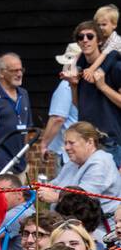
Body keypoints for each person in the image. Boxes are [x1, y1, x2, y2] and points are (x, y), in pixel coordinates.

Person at [39, 122, 121, 217]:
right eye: (65, 143)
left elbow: (85, 199)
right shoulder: (73, 163)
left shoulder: (101, 162)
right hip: (71, 221)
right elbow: (56, 183)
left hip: (97, 226)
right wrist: (43, 188)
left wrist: (57, 197)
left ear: (89, 142)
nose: (66, 147)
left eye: (71, 143)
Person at [68, 21, 121, 167]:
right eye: (81, 37)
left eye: (90, 36)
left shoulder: (116, 67)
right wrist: (73, 86)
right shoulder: (81, 69)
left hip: (110, 141)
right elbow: (79, 105)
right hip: (85, 142)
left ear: (99, 40)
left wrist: (103, 86)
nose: (85, 40)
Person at [0, 52, 31, 173]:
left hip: (20, 161)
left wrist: (25, 153)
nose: (19, 74)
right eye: (14, 71)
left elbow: (27, 127)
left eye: (21, 70)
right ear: (1, 73)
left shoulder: (24, 93)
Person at [41, 42, 80, 169]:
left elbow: (58, 118)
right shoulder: (85, 84)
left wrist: (44, 144)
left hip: (69, 151)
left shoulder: (65, 86)